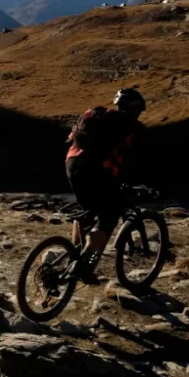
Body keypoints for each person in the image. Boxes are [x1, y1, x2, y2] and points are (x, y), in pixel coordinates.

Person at [64, 87, 150, 282]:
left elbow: (68, 140)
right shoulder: (132, 127)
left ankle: (75, 254)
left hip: (72, 166)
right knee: (109, 215)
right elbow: (139, 159)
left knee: (86, 209)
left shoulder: (97, 116)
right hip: (97, 172)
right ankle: (83, 263)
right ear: (135, 109)